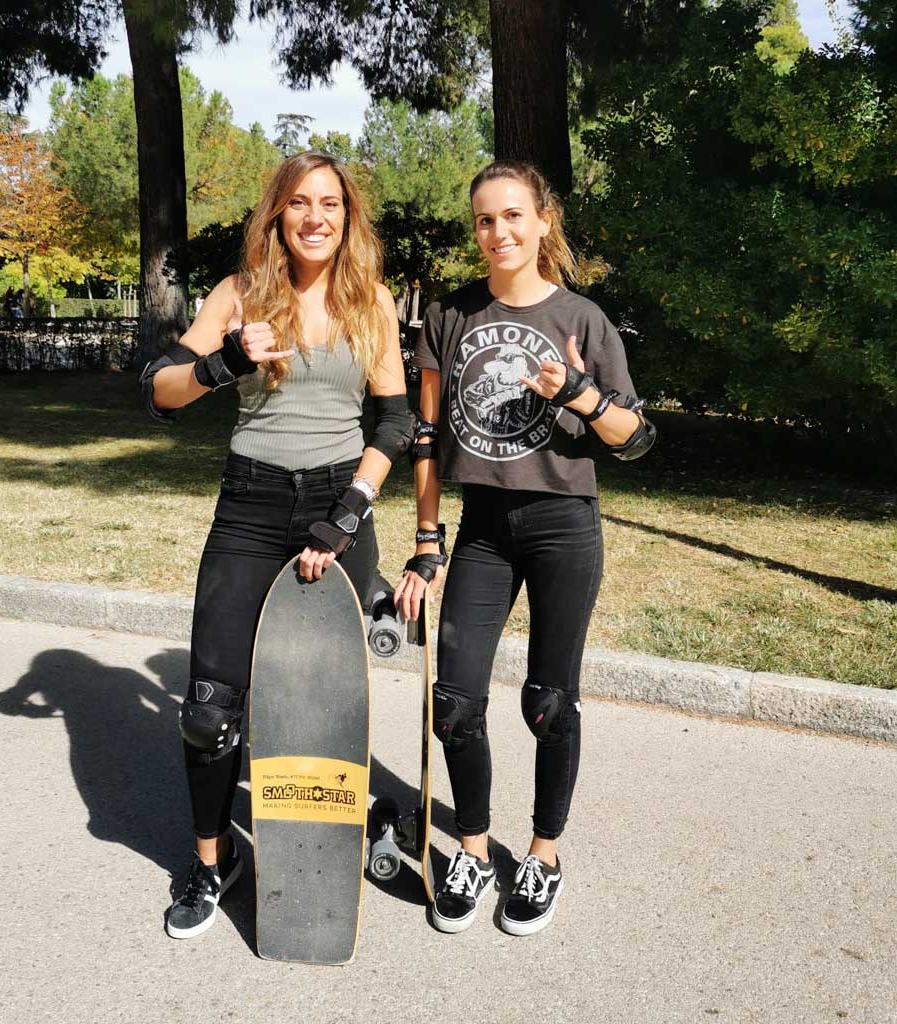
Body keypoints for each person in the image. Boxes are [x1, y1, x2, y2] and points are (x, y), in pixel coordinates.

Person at [140, 151, 411, 940]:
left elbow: (394, 424)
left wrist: (348, 515)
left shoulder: (372, 304)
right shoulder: (239, 296)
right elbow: (160, 392)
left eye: (330, 203)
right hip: (251, 507)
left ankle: (332, 833)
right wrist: (226, 361)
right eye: (299, 203)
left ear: (348, 217)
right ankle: (214, 857)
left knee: (324, 699)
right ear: (278, 216)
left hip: (339, 503)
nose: (316, 217)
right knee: (209, 710)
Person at [394, 160, 655, 937]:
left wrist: (577, 394)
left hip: (563, 526)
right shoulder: (448, 315)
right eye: (484, 220)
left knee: (547, 701)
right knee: (455, 703)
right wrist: (426, 541)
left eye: (513, 216)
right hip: (483, 529)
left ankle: (542, 856)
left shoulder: (584, 319)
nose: (498, 233)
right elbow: (429, 437)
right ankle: (472, 851)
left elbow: (636, 438)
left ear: (543, 222)